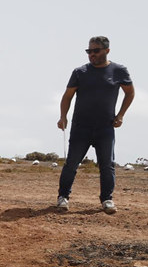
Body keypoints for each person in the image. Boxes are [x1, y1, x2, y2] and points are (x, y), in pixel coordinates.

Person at [57, 36, 134, 214]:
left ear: (107, 51)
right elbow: (67, 96)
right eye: (89, 51)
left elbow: (129, 93)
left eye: (95, 51)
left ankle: (107, 199)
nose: (91, 54)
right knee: (71, 164)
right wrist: (63, 117)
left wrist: (121, 115)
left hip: (105, 128)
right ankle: (63, 197)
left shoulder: (119, 71)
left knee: (107, 165)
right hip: (80, 127)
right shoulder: (79, 72)